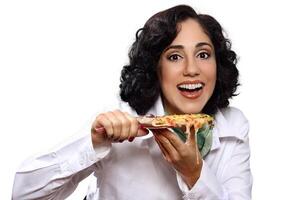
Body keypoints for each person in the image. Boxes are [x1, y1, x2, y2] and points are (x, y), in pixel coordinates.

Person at [12, 5, 252, 200]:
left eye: (203, 54)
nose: (192, 70)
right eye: (175, 57)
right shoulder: (119, 120)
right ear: (155, 68)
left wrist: (194, 174)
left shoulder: (233, 125)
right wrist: (92, 143)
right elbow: (22, 195)